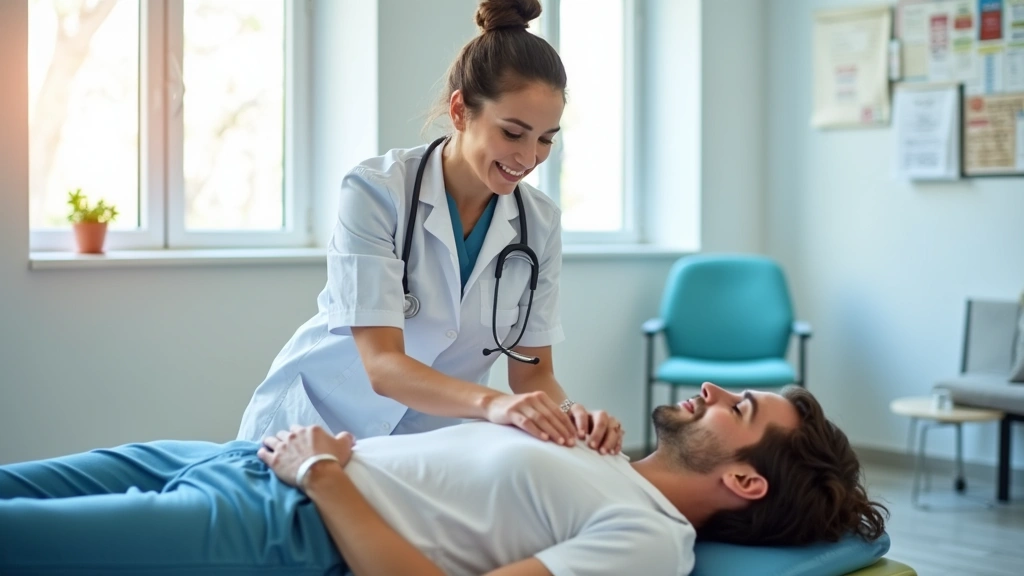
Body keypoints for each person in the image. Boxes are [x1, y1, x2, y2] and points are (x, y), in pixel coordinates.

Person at [235, 0, 624, 456]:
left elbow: (533, 373)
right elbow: (383, 365)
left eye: (545, 139)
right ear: (460, 111)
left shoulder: (539, 223)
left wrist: (575, 416)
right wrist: (496, 405)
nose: (529, 158)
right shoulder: (377, 191)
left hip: (424, 448)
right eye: (513, 133)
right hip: (311, 426)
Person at [0, 383, 888, 576]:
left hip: (283, 520)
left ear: (746, 483)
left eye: (739, 408)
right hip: (230, 456)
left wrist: (322, 476)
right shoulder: (601, 452)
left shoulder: (654, 543)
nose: (713, 390)